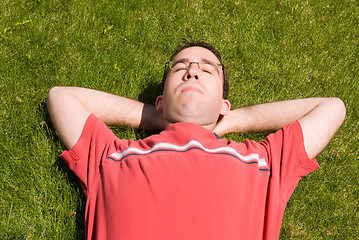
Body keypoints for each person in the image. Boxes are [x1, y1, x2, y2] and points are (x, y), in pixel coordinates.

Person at [47, 40, 346, 240]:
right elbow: (61, 97)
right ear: (161, 99)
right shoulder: (112, 157)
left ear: (223, 105)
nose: (191, 71)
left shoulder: (262, 162)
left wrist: (224, 121)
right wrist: (159, 118)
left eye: (207, 69)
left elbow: (332, 108)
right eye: (180, 67)